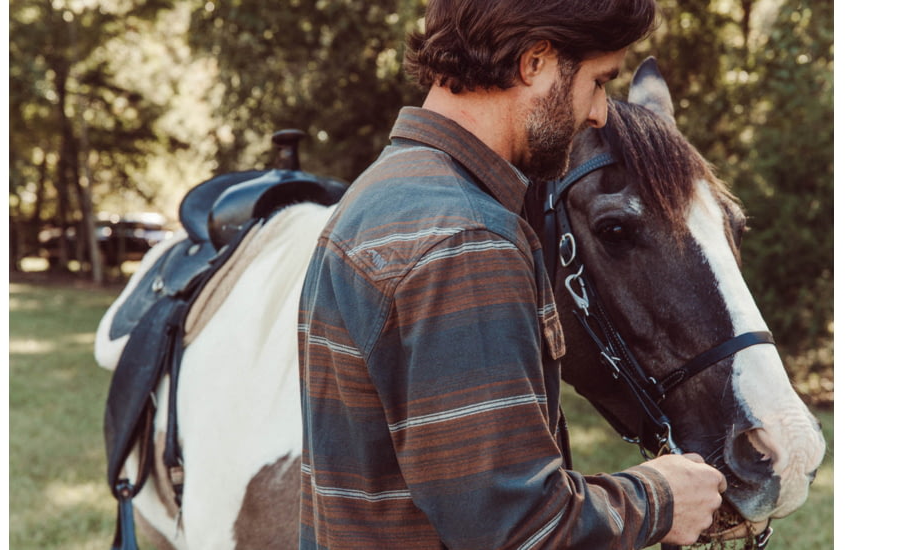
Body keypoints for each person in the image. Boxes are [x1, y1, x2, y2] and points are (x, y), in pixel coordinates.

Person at [297, 1, 726, 548]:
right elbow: (516, 529)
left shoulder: (381, 194)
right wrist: (659, 499)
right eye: (598, 82)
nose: (599, 114)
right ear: (535, 63)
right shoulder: (466, 241)